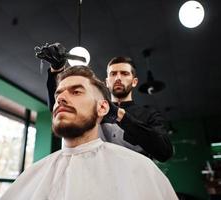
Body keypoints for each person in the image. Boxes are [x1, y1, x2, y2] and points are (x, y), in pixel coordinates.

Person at [0, 66, 178, 200]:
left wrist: (120, 115)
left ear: (102, 107)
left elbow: (164, 150)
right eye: (57, 95)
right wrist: (55, 71)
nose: (60, 98)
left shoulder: (140, 168)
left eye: (76, 91)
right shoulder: (32, 176)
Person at [35, 43, 173, 162]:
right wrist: (57, 69)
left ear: (134, 81)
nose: (118, 78)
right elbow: (63, 106)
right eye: (113, 74)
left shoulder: (149, 115)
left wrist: (120, 116)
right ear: (107, 81)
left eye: (124, 74)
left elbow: (164, 152)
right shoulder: (95, 108)